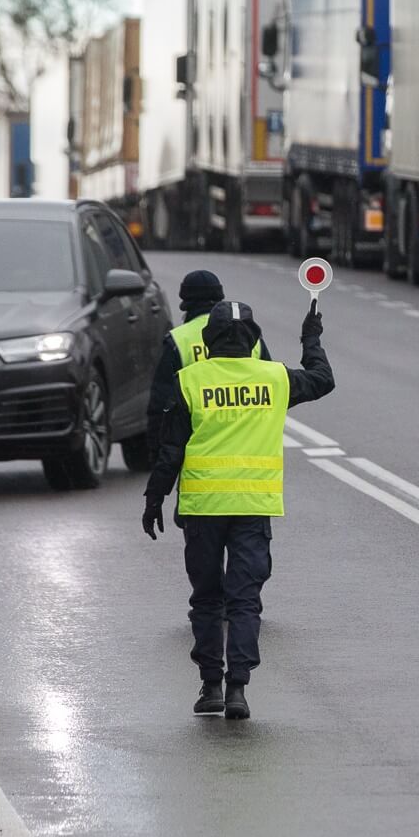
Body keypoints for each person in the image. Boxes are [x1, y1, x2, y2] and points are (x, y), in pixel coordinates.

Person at [142, 298, 334, 720]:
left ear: (208, 339)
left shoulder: (189, 380)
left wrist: (154, 498)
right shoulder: (275, 378)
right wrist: (311, 338)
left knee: (207, 599)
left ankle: (210, 685)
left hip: (203, 508)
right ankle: (238, 690)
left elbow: (169, 450)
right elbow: (322, 379)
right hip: (252, 507)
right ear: (253, 340)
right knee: (244, 601)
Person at [145, 269, 270, 444]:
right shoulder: (250, 337)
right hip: (248, 439)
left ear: (186, 303)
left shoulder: (178, 340)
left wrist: (157, 451)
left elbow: (161, 403)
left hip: (198, 442)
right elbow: (272, 388)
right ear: (220, 298)